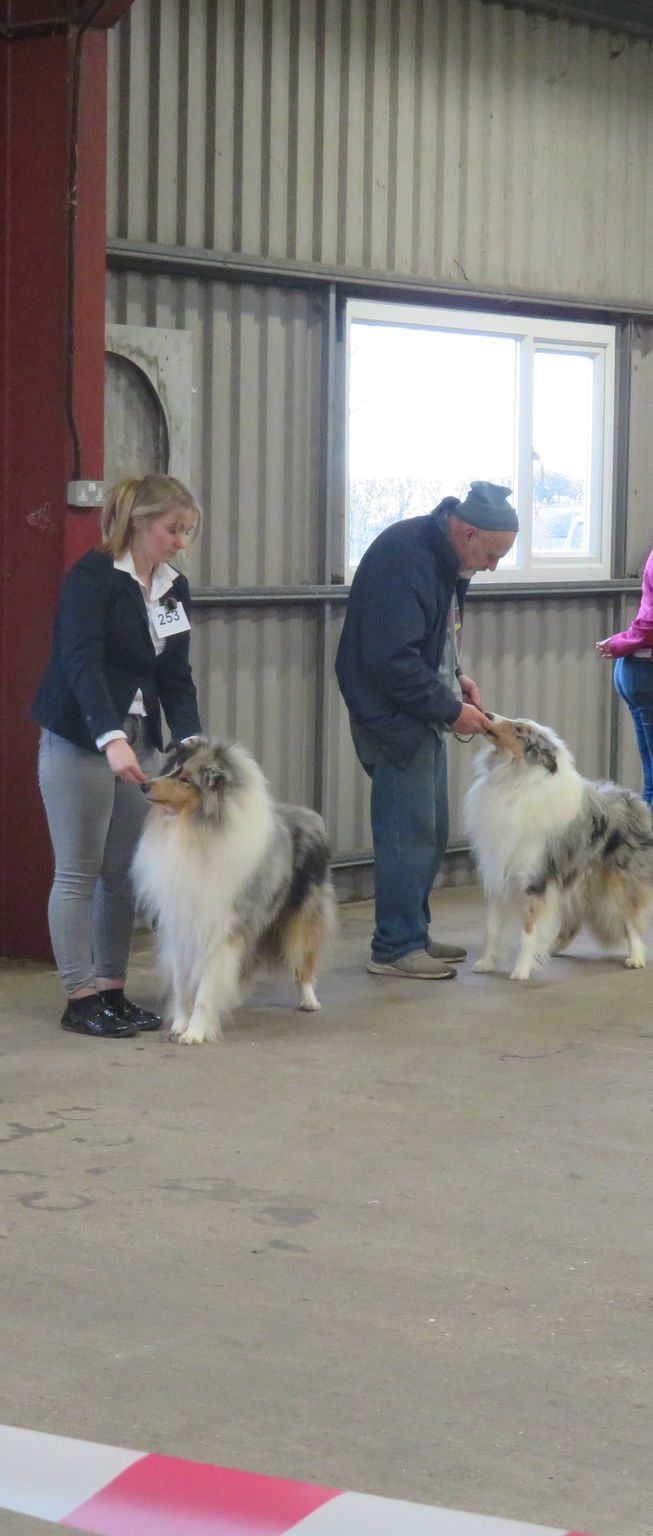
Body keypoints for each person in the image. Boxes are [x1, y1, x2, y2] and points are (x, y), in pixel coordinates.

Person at [33, 473, 204, 1038]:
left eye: (188, 531)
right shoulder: (93, 578)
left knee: (123, 873)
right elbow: (79, 661)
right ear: (139, 522)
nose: (181, 541)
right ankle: (79, 998)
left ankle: (112, 989)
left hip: (141, 736)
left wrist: (190, 741)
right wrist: (110, 737)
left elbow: (175, 674)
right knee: (78, 871)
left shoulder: (173, 588)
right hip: (81, 734)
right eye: (172, 529)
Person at [335, 481, 518, 980]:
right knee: (406, 832)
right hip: (391, 713)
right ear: (468, 532)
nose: (492, 566)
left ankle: (413, 932)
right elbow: (390, 658)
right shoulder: (406, 557)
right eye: (492, 554)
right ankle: (394, 947)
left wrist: (455, 677)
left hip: (422, 708)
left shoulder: (448, 561)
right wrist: (449, 709)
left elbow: (432, 635)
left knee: (431, 829)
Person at [597, 545, 653, 809]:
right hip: (646, 671)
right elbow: (650, 624)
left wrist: (623, 641)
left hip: (637, 670)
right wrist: (624, 641)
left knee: (651, 781)